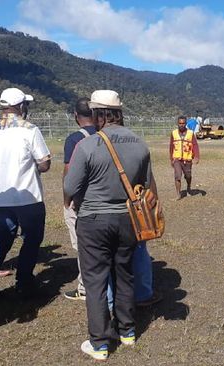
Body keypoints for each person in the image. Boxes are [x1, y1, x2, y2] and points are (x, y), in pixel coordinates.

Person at [64, 90, 157, 361]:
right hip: (128, 220)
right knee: (125, 274)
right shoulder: (140, 143)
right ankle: (128, 331)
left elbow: (70, 186)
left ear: (97, 113)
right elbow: (147, 184)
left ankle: (100, 343)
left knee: (95, 281)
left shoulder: (89, 145)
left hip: (93, 220)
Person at [0, 87, 51, 305]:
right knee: (31, 239)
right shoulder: (30, 130)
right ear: (20, 106)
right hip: (28, 196)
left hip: (1, 197)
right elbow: (44, 163)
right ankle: (24, 282)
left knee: (2, 238)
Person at [62, 97, 97, 300]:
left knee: (82, 245)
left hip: (81, 200)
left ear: (76, 116)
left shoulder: (74, 139)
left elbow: (68, 173)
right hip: (102, 199)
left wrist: (67, 201)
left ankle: (85, 287)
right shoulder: (105, 134)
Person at [169, 116, 200, 200]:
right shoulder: (173, 133)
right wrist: (171, 159)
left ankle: (188, 187)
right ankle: (178, 194)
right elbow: (171, 146)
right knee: (177, 176)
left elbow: (195, 145)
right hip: (177, 159)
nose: (181, 125)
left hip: (187, 159)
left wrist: (196, 157)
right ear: (177, 123)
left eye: (183, 123)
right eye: (180, 123)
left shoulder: (190, 133)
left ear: (186, 124)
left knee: (188, 176)